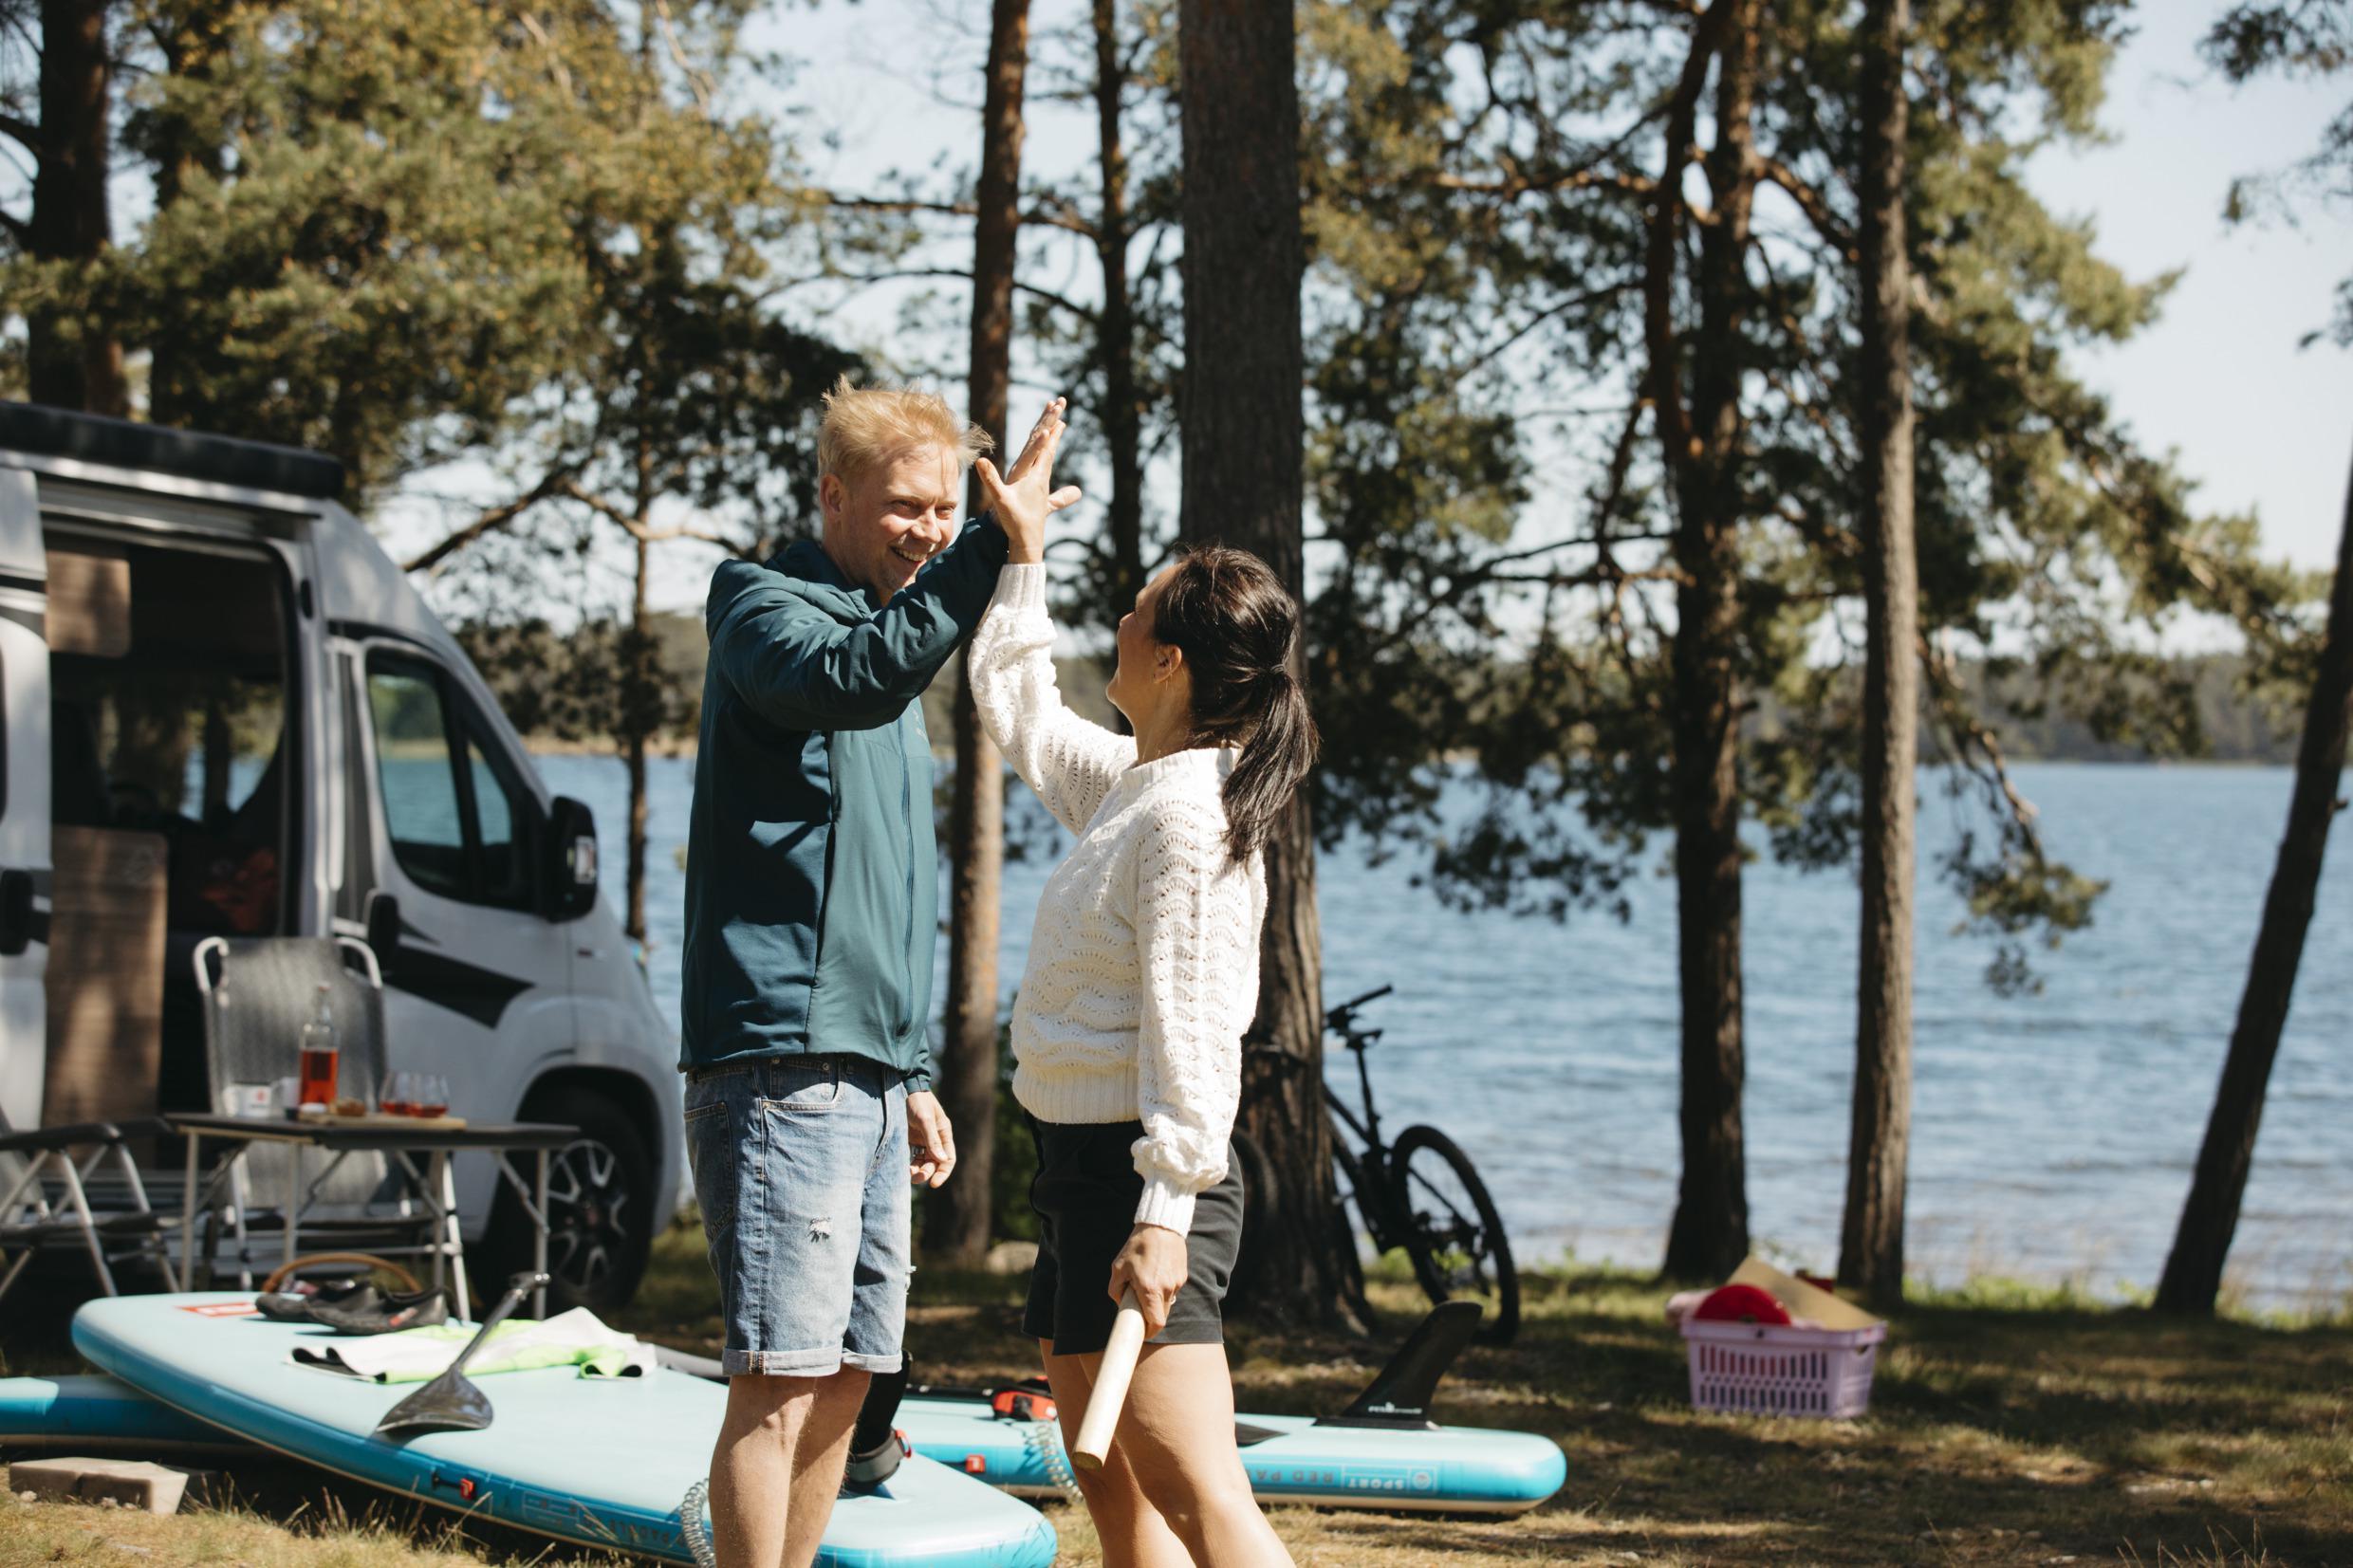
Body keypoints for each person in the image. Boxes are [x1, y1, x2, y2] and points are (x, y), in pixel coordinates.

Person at [679, 380, 1079, 1568]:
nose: (928, 532)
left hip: (864, 1068)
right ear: (832, 495)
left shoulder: (890, 653)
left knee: (853, 1379)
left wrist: (910, 1072)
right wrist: (991, 547)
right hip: (778, 1061)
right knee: (780, 1379)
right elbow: (848, 677)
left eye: (946, 511)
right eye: (906, 508)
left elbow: (879, 897)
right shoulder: (761, 609)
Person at [966, 397, 1309, 1567]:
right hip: (1076, 1168)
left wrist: (1163, 1220)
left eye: (1135, 609)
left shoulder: (1186, 820)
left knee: (1197, 1494)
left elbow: (1197, 1032)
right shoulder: (1135, 785)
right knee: (1119, 1500)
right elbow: (1018, 706)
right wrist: (1021, 553)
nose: (1116, 619)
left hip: (1143, 1181)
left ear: (1167, 659)